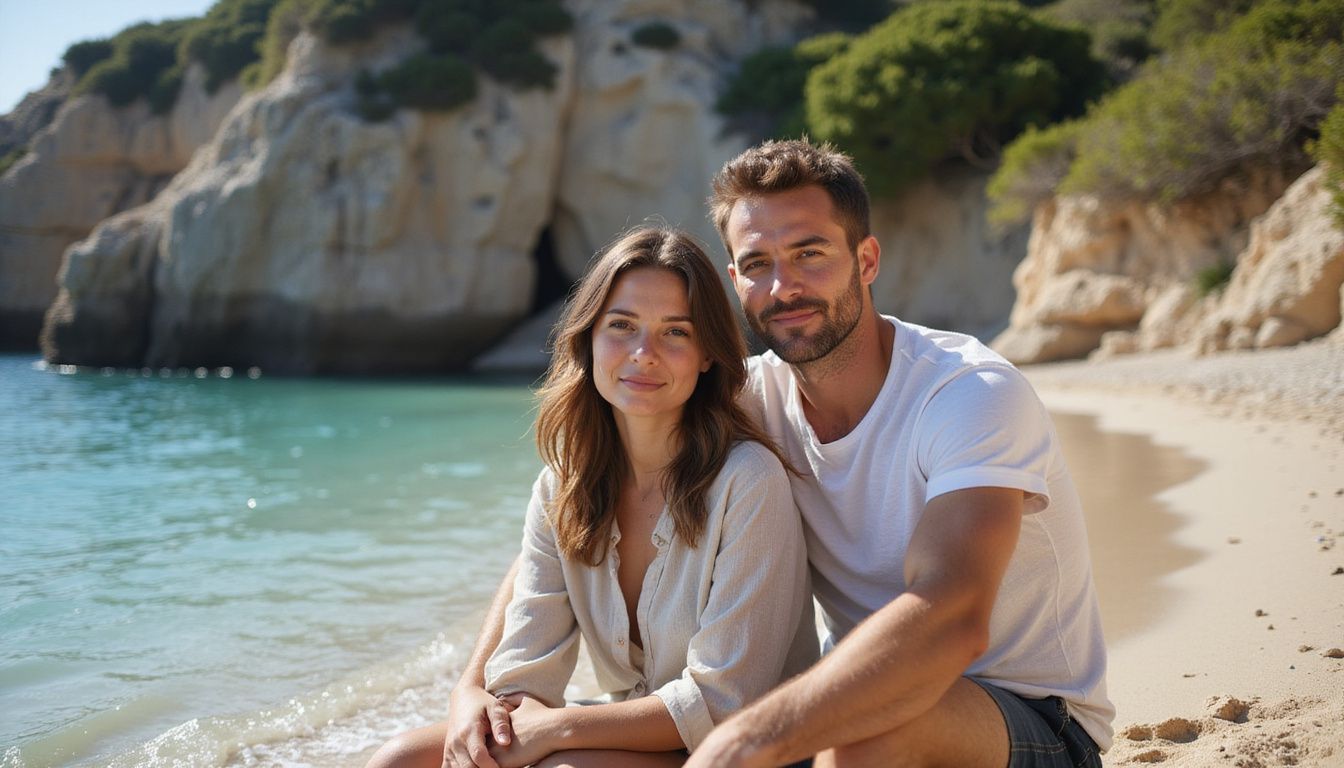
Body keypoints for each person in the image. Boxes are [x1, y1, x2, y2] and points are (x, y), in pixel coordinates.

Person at [442, 139, 1114, 768]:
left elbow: (951, 615)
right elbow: (576, 506)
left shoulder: (966, 396)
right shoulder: (753, 399)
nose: (783, 287)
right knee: (416, 757)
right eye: (759, 264)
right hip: (853, 699)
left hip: (1030, 719)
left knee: (865, 734)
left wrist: (745, 735)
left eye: (810, 254)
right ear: (734, 279)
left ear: (867, 260)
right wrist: (472, 689)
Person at [367, 227, 817, 768]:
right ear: (589, 339)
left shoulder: (749, 482)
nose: (644, 354)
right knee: (398, 760)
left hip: (747, 753)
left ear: (705, 355)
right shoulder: (564, 487)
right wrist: (491, 715)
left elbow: (722, 703)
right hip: (635, 737)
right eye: (622, 326)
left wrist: (555, 731)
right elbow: (524, 671)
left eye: (675, 332)